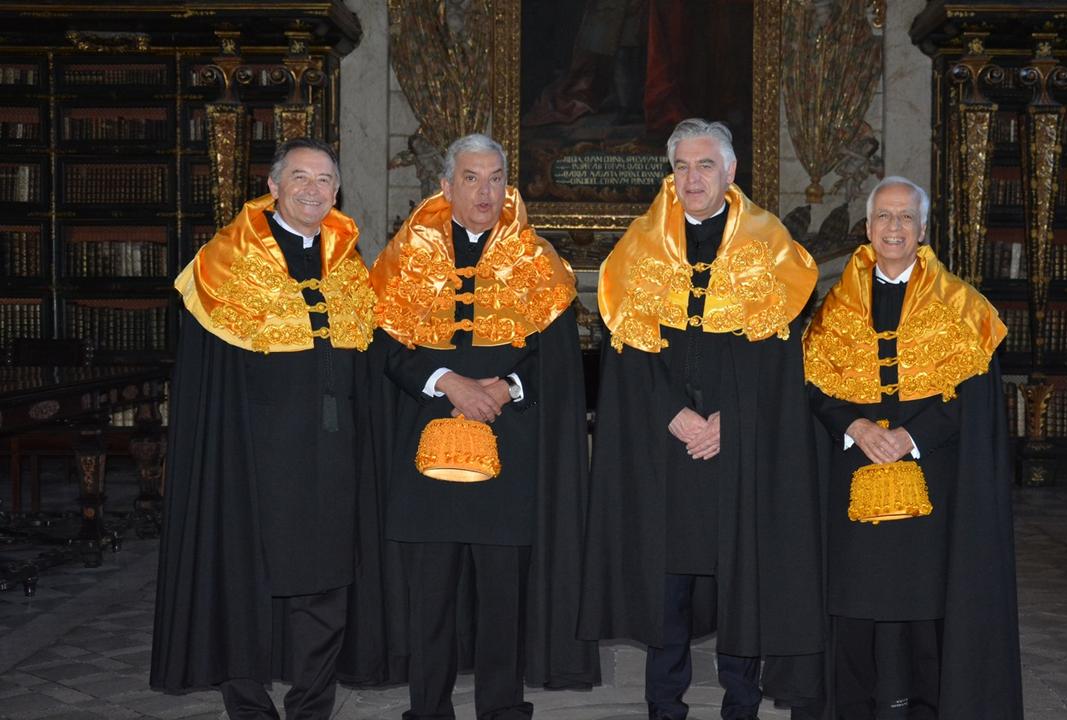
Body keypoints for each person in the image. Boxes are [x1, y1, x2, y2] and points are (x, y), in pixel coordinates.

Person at [579, 118, 824, 720]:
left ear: (731, 171)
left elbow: (778, 358)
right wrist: (673, 415)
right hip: (665, 446)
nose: (693, 178)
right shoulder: (639, 247)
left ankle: (741, 702)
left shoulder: (772, 247)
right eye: (683, 166)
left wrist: (729, 425)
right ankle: (665, 703)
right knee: (666, 583)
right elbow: (627, 348)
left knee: (741, 576)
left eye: (706, 165)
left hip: (741, 447)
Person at [367, 133, 599, 719]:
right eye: (471, 178)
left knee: (503, 604)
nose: (484, 191)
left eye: (495, 178)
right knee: (432, 605)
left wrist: (505, 388)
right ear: (446, 187)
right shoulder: (408, 255)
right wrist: (448, 382)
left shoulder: (536, 260)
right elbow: (388, 349)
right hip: (427, 457)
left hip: (509, 459)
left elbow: (559, 363)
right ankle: (429, 710)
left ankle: (500, 710)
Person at [151, 137, 377, 720]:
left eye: (325, 180)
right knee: (242, 583)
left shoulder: (349, 264)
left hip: (331, 455)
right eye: (299, 177)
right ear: (273, 187)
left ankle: (311, 708)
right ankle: (248, 708)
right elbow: (209, 383)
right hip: (249, 457)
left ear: (337, 191)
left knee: (326, 587)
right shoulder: (224, 263)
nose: (312, 189)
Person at [797, 176, 1022, 719]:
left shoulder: (962, 307)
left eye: (905, 218)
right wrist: (856, 426)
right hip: (853, 483)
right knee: (852, 612)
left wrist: (908, 435)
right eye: (883, 217)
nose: (893, 228)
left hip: (935, 488)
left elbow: (971, 398)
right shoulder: (835, 305)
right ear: (868, 227)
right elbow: (814, 388)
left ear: (923, 230)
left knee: (927, 615)